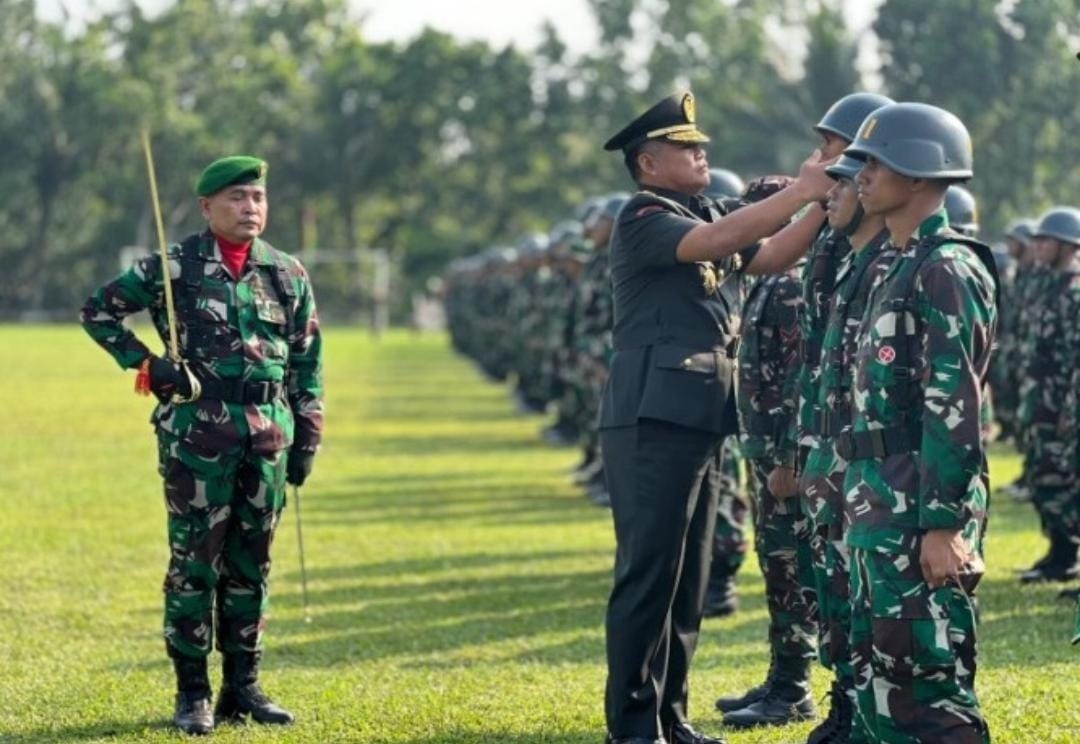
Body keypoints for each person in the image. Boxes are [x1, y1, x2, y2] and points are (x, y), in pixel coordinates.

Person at [598, 90, 836, 744]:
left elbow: (772, 255)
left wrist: (818, 195)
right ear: (647, 163)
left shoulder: (698, 210)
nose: (702, 152)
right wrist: (799, 193)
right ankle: (633, 725)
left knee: (688, 579)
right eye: (685, 146)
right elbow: (719, 239)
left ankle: (670, 716)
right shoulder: (645, 215)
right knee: (649, 573)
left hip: (697, 411)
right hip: (651, 413)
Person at [80, 156, 324, 735]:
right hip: (198, 435)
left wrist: (308, 429)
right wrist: (148, 365)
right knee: (195, 566)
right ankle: (193, 693)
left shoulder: (287, 273)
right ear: (207, 206)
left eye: (258, 198)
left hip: (268, 434)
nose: (251, 209)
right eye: (237, 198)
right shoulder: (174, 267)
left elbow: (307, 358)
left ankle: (245, 687)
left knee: (252, 565)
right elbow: (97, 312)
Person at [726, 91, 891, 733]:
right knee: (814, 575)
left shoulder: (869, 250)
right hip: (803, 446)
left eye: (828, 146)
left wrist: (798, 456)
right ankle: (826, 695)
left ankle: (838, 700)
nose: (816, 161)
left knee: (843, 583)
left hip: (850, 455)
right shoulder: (824, 246)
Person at [841, 102, 997, 743]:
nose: (860, 176)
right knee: (883, 677)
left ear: (919, 174)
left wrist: (942, 525)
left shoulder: (946, 269)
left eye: (875, 163)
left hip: (919, 505)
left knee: (929, 687)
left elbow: (954, 406)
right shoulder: (894, 264)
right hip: (879, 493)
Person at [1015, 208, 1080, 584]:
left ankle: (1067, 555)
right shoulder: (1046, 284)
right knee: (1043, 475)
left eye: (1046, 240)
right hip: (1040, 399)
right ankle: (1058, 552)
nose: (1037, 246)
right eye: (1036, 239)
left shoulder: (1073, 292)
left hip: (1062, 402)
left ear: (1067, 246)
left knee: (1064, 478)